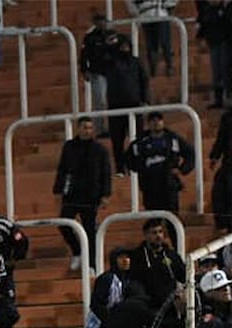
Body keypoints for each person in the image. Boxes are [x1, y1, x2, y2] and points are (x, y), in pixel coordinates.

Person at [52, 117, 112, 270]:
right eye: (84, 127)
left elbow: (106, 172)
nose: (87, 130)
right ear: (78, 128)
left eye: (90, 127)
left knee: (90, 230)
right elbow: (62, 169)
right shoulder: (69, 146)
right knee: (64, 225)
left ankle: (91, 264)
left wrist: (105, 194)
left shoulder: (100, 149)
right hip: (71, 194)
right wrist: (58, 190)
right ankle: (77, 252)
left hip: (91, 195)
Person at [124, 111, 196, 219]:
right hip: (150, 185)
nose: (156, 123)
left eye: (159, 120)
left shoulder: (172, 139)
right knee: (153, 218)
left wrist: (182, 169)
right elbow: (128, 158)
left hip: (169, 184)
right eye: (153, 121)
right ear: (148, 123)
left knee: (172, 217)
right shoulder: (140, 142)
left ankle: (176, 235)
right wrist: (140, 168)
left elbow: (190, 153)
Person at [104, 33, 151, 175]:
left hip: (135, 104)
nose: (125, 48)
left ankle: (138, 165)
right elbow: (102, 56)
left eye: (127, 45)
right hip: (115, 106)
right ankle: (120, 168)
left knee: (138, 138)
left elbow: (144, 81)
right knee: (117, 140)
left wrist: (146, 101)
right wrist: (109, 42)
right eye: (122, 45)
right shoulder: (110, 62)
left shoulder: (136, 62)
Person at [80, 13, 114, 135]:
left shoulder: (112, 35)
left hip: (114, 73)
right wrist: (85, 70)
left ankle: (116, 127)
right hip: (97, 72)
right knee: (100, 101)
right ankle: (100, 129)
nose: (102, 23)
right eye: (99, 21)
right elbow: (84, 55)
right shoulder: (90, 37)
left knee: (114, 101)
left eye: (103, 20)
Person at [128, 0, 176, 78]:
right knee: (151, 45)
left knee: (165, 42)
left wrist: (169, 6)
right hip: (145, 14)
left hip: (161, 12)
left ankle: (169, 65)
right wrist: (137, 13)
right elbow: (130, 3)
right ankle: (153, 69)